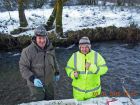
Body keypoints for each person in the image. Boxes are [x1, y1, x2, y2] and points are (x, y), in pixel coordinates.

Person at [19, 25, 60, 101]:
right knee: (39, 101)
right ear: (35, 38)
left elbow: (54, 60)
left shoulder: (50, 48)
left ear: (46, 37)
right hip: (35, 84)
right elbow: (23, 67)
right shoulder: (27, 51)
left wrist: (57, 72)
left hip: (49, 82)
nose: (42, 40)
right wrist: (33, 79)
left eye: (43, 38)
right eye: (39, 38)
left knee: (50, 100)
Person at [65, 36, 108, 100]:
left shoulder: (96, 55)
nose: (84, 49)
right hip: (78, 94)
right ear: (79, 47)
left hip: (94, 94)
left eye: (86, 47)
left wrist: (92, 68)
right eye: (82, 47)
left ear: (89, 47)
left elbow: (104, 69)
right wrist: (73, 74)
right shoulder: (74, 56)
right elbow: (68, 68)